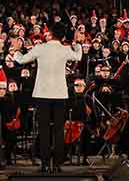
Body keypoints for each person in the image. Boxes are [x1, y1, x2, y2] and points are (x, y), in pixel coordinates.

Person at [13, 21, 82, 173]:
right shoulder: (65, 49)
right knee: (58, 131)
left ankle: (44, 164)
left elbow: (21, 60)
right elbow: (78, 56)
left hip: (42, 94)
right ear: (62, 36)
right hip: (60, 95)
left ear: (50, 33)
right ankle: (56, 165)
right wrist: (77, 43)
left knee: (43, 130)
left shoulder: (40, 48)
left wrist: (17, 50)